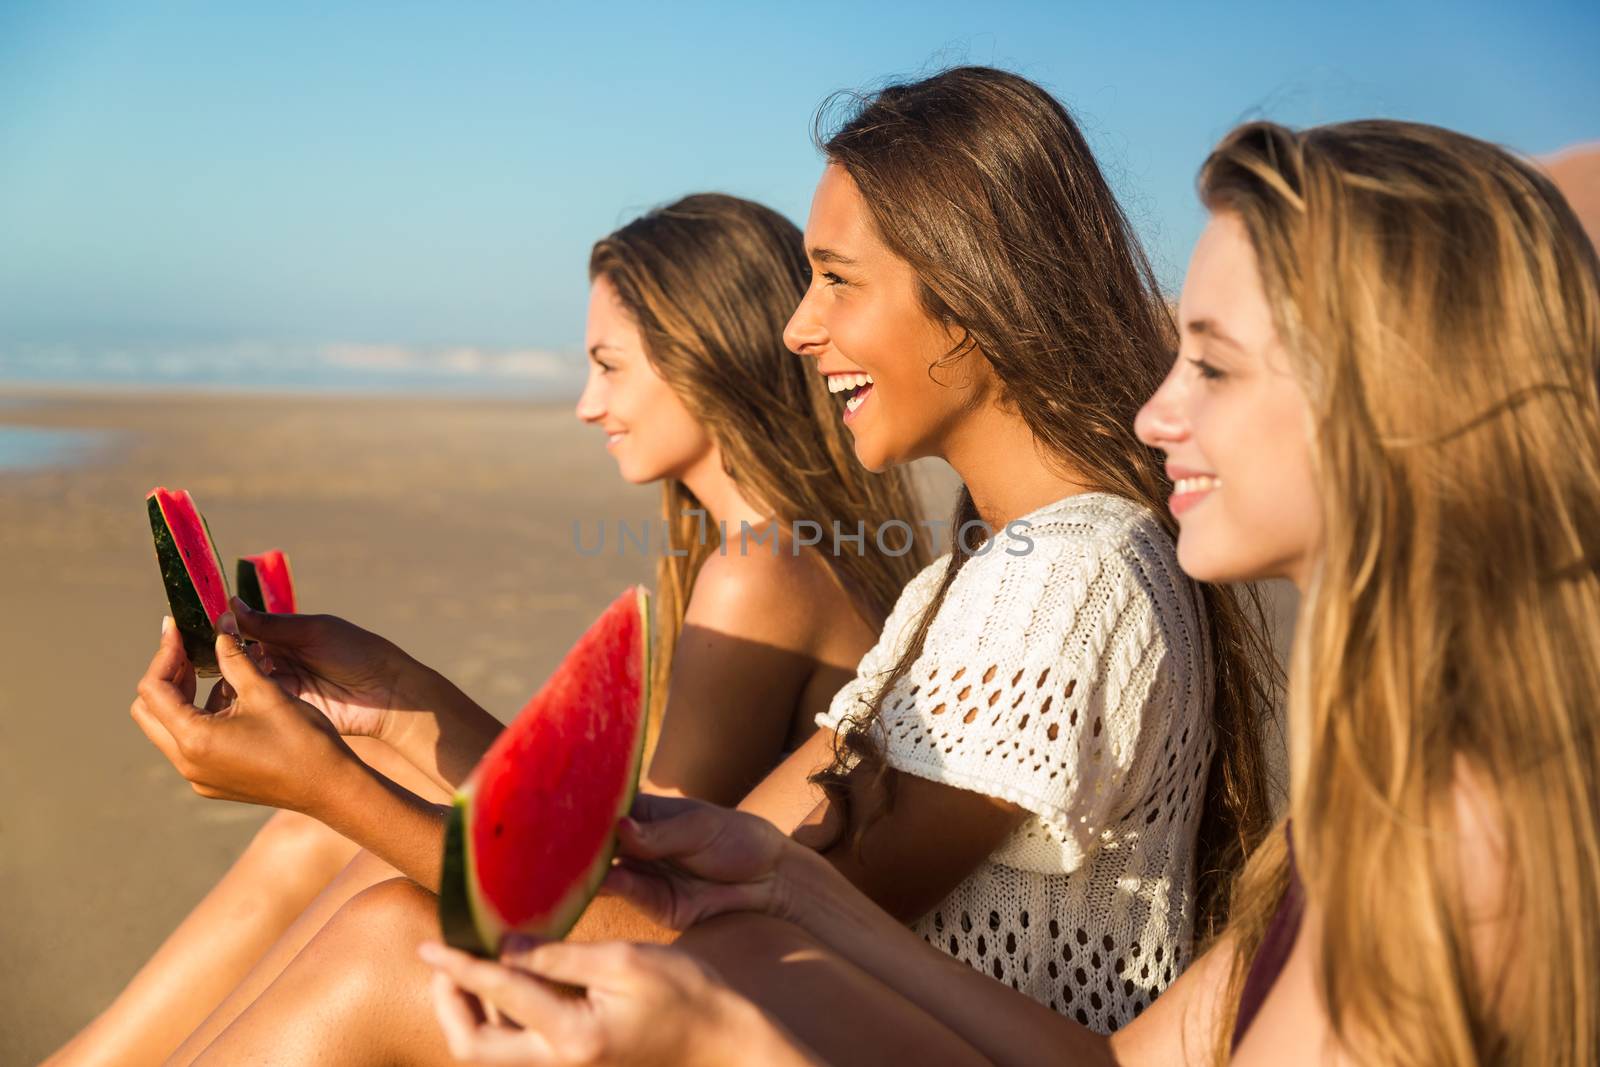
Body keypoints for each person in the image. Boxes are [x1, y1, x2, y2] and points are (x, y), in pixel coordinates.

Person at [121, 67, 1279, 1065]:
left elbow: (704, 928)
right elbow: (702, 856)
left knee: (391, 942)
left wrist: (330, 786)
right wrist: (392, 700)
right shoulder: (982, 575)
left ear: (969, 293)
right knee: (394, 921)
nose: (796, 329)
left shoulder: (1065, 585)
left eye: (836, 278)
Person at [422, 117, 1600, 1065]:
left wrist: (732, 1045)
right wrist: (794, 889)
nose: (1155, 413)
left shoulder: (1466, 833)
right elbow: (1113, 1064)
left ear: (1397, 403)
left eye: (1215, 365)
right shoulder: (1375, 790)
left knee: (386, 946)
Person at [47, 193, 926, 1067]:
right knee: (333, 827)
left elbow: (617, 862)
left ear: (706, 355)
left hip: (712, 996)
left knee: (358, 876)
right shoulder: (786, 554)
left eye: (609, 366)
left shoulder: (760, 570)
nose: (587, 404)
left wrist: (329, 778)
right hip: (732, 958)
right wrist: (389, 695)